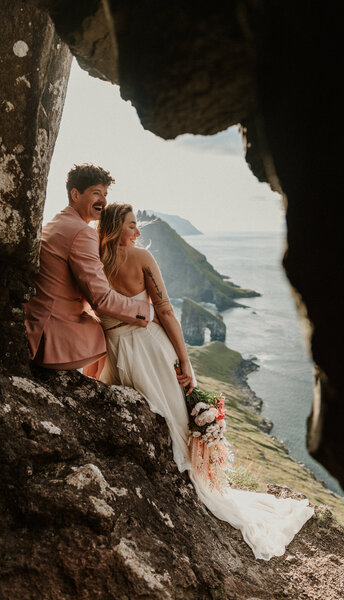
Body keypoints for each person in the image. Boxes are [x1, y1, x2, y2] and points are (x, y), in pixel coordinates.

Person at [88, 203, 314, 561]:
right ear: (117, 228)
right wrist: (186, 360)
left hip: (115, 350)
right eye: (132, 226)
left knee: (156, 420)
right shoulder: (141, 258)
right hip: (150, 348)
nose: (138, 233)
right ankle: (191, 485)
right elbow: (164, 310)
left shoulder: (92, 262)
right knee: (174, 420)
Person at [24, 165, 154, 371]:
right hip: (53, 340)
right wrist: (146, 311)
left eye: (105, 194)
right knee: (121, 333)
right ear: (75, 194)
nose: (103, 200)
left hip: (38, 328)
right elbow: (100, 299)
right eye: (96, 193)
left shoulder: (56, 222)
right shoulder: (82, 233)